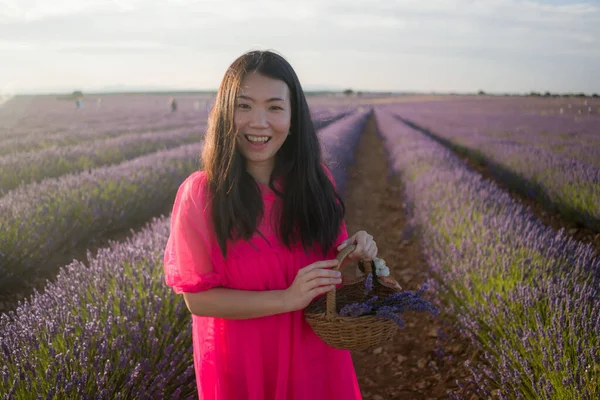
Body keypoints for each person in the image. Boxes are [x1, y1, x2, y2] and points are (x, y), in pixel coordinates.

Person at [163, 50, 378, 400]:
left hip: (315, 357)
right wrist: (287, 298)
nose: (258, 122)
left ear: (293, 118)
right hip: (244, 363)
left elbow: (329, 262)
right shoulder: (202, 195)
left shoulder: (314, 182)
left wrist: (356, 250)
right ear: (224, 113)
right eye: (244, 106)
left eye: (275, 107)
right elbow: (198, 300)